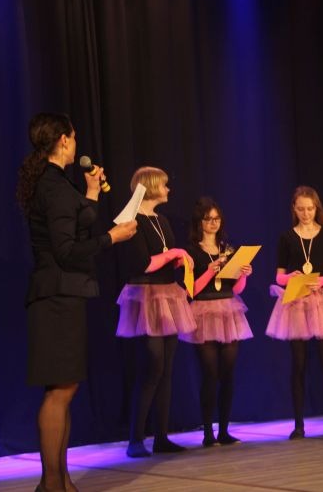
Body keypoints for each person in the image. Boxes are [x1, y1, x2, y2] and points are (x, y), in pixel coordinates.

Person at [18, 112, 137, 491]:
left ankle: (61, 482)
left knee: (65, 388)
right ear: (64, 140)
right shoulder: (52, 186)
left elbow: (79, 223)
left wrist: (90, 191)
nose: (76, 144)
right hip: (56, 295)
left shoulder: (57, 181)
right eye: (74, 137)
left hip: (64, 294)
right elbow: (67, 250)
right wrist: (112, 238)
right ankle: (52, 485)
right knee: (60, 391)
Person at [116, 166, 196, 457]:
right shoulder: (132, 221)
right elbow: (143, 264)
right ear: (150, 187)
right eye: (164, 185)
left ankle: (161, 437)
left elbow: (164, 257)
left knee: (167, 370)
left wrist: (178, 261)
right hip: (146, 295)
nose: (168, 189)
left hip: (168, 294)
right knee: (153, 367)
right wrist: (174, 254)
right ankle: (135, 439)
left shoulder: (162, 220)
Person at [266, 186, 323, 439]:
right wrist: (290, 278)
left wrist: (320, 281)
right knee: (299, 364)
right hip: (297, 302)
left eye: (310, 209)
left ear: (317, 208)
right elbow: (279, 276)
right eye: (301, 209)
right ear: (294, 209)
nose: (306, 213)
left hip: (322, 300)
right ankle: (299, 425)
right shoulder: (286, 237)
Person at [181, 197, 253, 447]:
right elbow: (191, 290)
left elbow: (236, 288)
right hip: (203, 310)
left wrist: (243, 274)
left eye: (217, 219)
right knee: (209, 374)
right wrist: (210, 271)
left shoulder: (227, 249)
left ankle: (224, 430)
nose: (213, 223)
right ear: (199, 222)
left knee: (228, 373)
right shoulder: (191, 251)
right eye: (208, 219)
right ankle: (208, 433)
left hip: (228, 309)